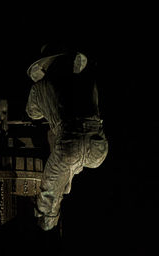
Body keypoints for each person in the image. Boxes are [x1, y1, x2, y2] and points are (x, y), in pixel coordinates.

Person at [25, 42, 108, 231]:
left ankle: (45, 229)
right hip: (99, 146)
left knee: (49, 193)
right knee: (68, 166)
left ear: (45, 66)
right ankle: (65, 184)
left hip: (70, 144)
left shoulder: (41, 87)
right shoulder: (88, 81)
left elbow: (32, 113)